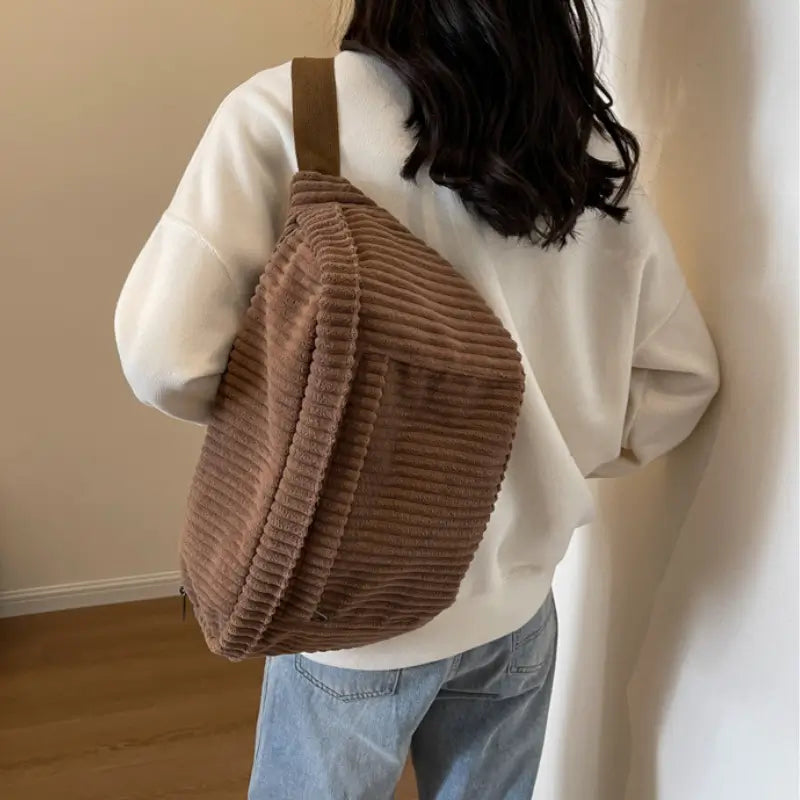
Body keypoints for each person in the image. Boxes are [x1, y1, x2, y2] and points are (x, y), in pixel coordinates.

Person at [114, 1, 720, 798]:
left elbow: (163, 357)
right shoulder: (585, 152)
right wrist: (549, 453)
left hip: (348, 617)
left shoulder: (286, 115)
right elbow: (680, 379)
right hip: (516, 611)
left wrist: (287, 426)